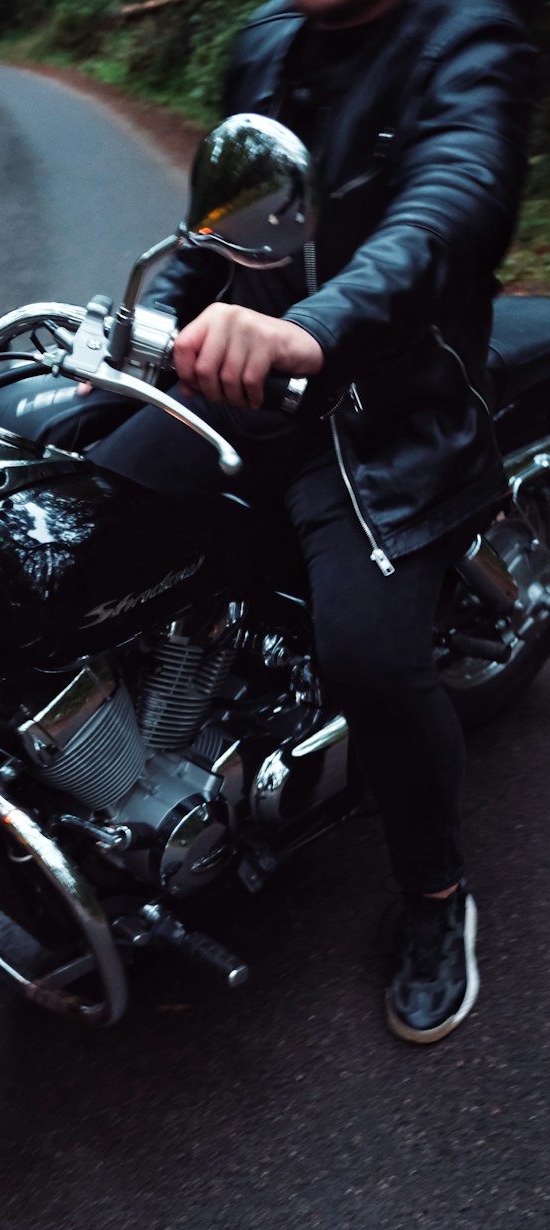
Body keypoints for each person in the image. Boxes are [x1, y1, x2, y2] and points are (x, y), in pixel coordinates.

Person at [83, 0, 537, 1042]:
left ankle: (433, 898)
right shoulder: (267, 44)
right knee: (79, 521)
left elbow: (447, 211)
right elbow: (227, 235)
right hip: (254, 389)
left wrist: (307, 332)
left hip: (386, 411)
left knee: (371, 657)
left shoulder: (466, 37)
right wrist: (149, 320)